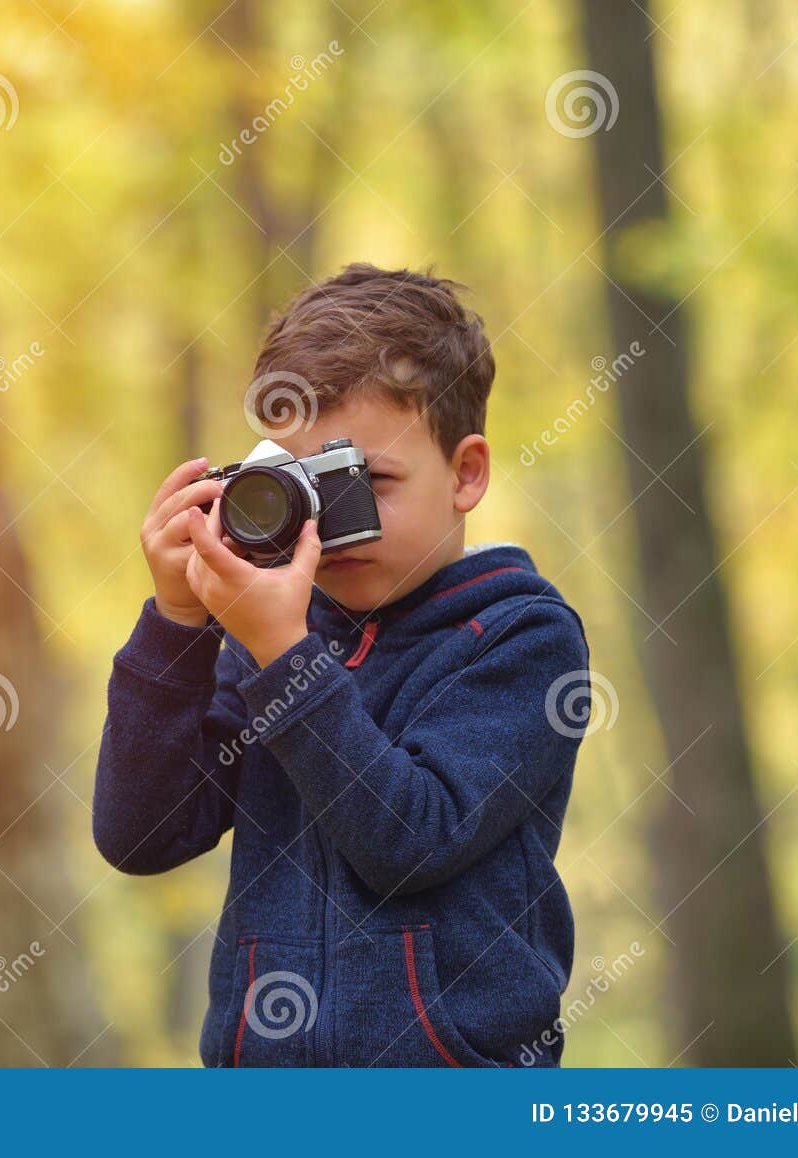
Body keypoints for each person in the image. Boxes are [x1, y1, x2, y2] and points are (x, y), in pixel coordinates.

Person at [93, 264, 591, 1066]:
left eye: (371, 485)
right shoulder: (275, 637)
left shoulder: (520, 637)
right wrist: (178, 622)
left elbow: (412, 839)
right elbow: (139, 835)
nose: (338, 531)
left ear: (466, 473)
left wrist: (285, 655)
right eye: (310, 491)